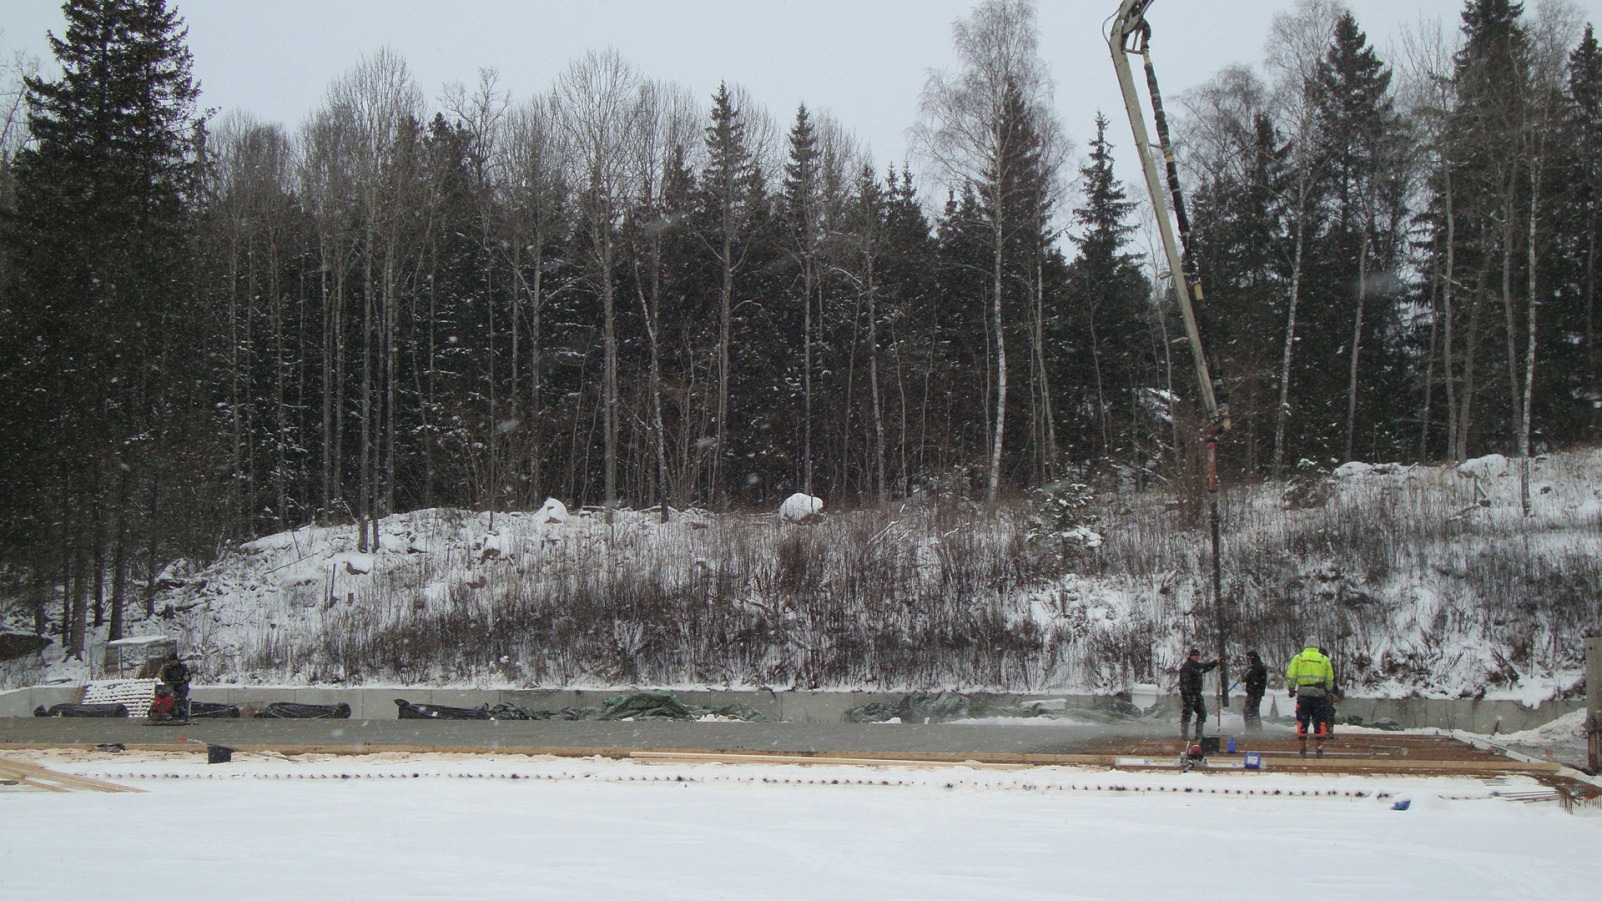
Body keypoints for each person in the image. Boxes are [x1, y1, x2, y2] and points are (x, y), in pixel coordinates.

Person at [1286, 640, 1335, 758]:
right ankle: (1319, 750)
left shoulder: (1299, 657)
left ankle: (1302, 750)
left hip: (1303, 695)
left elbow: (1291, 675)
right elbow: (1330, 678)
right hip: (1319, 696)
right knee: (1320, 722)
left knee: (1302, 721)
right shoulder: (1323, 658)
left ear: (1305, 645)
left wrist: (1291, 688)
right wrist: (1328, 690)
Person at [1178, 647, 1219, 744]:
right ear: (1191, 656)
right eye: (1195, 656)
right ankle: (1185, 736)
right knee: (1187, 714)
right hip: (1189, 694)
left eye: (1198, 656)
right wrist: (1187, 694)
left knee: (1202, 713)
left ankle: (1199, 735)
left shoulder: (1197, 666)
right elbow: (1184, 682)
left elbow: (1206, 667)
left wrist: (1216, 662)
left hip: (1197, 693)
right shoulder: (1186, 667)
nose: (1197, 657)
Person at [160, 652, 192, 722]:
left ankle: (182, 714)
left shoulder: (183, 667)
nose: (172, 662)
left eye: (173, 661)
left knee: (181, 696)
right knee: (168, 695)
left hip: (181, 685)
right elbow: (164, 678)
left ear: (176, 660)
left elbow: (188, 677)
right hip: (171, 685)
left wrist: (185, 678)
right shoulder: (167, 668)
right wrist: (164, 678)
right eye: (171, 661)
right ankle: (169, 712)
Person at [1242, 650, 1268, 734]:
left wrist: (1243, 678)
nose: (1248, 660)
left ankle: (1252, 730)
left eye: (1248, 658)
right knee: (1253, 711)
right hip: (1256, 692)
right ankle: (1255, 729)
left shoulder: (1256, 667)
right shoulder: (1257, 666)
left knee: (1249, 712)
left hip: (1254, 692)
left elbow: (1249, 676)